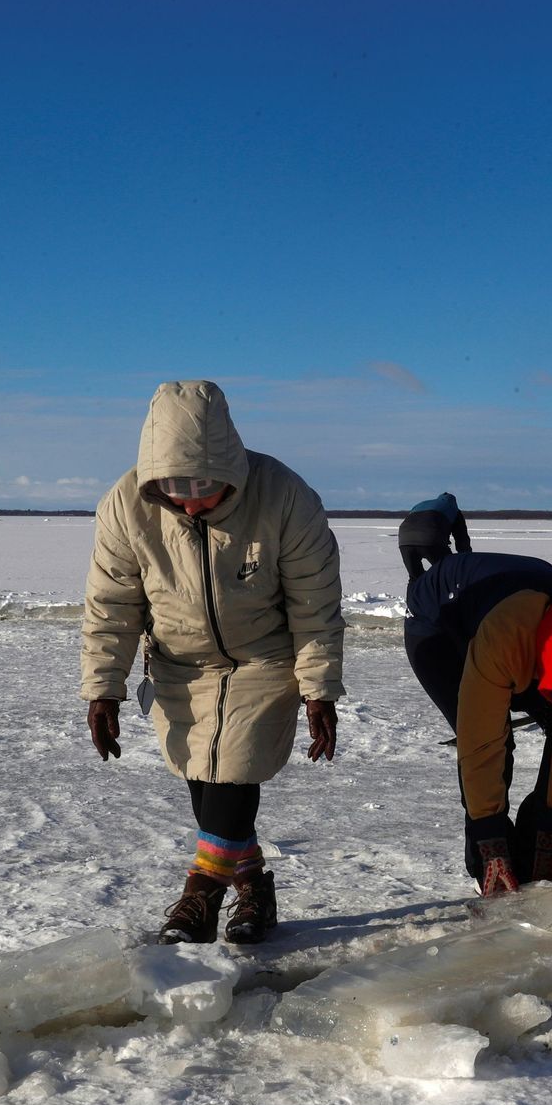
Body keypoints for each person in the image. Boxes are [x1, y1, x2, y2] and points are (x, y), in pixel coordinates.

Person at [81, 380, 345, 945]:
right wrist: (104, 687)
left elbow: (314, 605)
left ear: (230, 466)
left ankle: (200, 893)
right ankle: (253, 886)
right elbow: (112, 605)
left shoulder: (284, 496)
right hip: (178, 666)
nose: (190, 501)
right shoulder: (127, 505)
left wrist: (318, 689)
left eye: (203, 484)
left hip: (264, 659)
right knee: (204, 779)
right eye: (174, 486)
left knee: (233, 769)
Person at [404, 552, 552, 896]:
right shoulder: (507, 636)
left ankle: (534, 848)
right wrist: (490, 840)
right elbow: (481, 744)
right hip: (439, 624)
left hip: (530, 622)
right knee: (492, 740)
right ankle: (486, 865)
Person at [398, 490, 473, 578]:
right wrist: (466, 560)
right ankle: (451, 590)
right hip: (431, 539)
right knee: (449, 573)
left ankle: (415, 591)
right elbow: (461, 538)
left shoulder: (421, 504)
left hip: (405, 540)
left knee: (415, 577)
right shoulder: (453, 509)